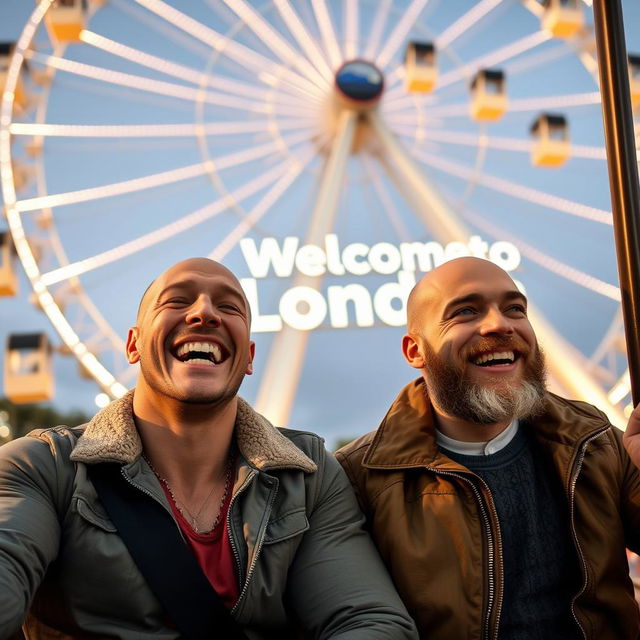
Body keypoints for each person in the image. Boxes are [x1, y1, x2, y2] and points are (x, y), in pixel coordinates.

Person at [0, 257, 417, 639]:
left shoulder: (307, 477)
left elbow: (367, 619)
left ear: (249, 357)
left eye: (230, 307)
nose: (204, 313)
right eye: (177, 301)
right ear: (133, 345)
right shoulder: (44, 467)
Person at [336, 256, 640, 640]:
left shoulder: (597, 442)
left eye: (515, 308)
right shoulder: (358, 479)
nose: (500, 324)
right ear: (415, 351)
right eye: (465, 312)